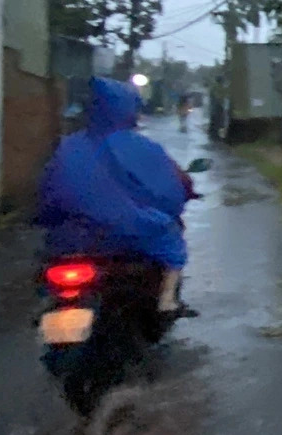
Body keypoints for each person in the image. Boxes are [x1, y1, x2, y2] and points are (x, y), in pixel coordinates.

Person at [38, 77, 196, 313]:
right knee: (171, 240)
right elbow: (171, 189)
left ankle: (46, 304)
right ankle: (167, 300)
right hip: (126, 231)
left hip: (71, 234)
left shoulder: (69, 146)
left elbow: (47, 189)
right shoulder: (140, 147)